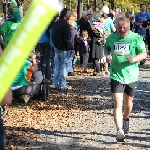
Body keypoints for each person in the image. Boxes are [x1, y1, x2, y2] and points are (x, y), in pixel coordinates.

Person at [104, 16, 147, 142]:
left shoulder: (136, 37)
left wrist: (134, 58)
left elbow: (144, 53)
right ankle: (120, 131)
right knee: (118, 103)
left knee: (128, 104)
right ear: (116, 27)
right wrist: (107, 55)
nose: (122, 30)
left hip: (131, 75)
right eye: (119, 28)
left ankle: (126, 118)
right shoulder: (111, 37)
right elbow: (106, 48)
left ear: (129, 27)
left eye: (124, 28)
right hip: (116, 74)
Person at [52, 8, 73, 90]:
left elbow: (53, 36)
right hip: (64, 48)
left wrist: (56, 44)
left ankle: (55, 83)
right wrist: (71, 48)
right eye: (69, 14)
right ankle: (62, 84)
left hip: (57, 47)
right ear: (65, 15)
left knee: (57, 66)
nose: (70, 15)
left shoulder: (56, 24)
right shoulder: (65, 25)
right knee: (64, 66)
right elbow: (67, 38)